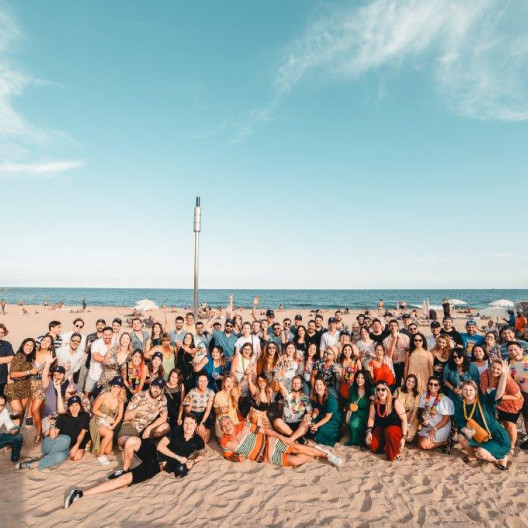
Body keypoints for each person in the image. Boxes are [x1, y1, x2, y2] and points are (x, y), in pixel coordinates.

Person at [64, 414, 206, 509]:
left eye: (191, 424)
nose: (187, 426)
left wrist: (193, 462)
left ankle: (81, 493)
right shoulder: (176, 431)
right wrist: (178, 457)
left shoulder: (198, 441)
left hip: (156, 465)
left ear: (195, 425)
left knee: (125, 480)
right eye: (186, 423)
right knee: (131, 441)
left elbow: (203, 454)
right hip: (152, 450)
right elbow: (161, 446)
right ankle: (124, 469)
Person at [219, 416, 342, 467]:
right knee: (295, 460)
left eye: (228, 423)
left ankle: (327, 455)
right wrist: (236, 459)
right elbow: (228, 456)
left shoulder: (243, 425)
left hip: (270, 442)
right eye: (223, 425)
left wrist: (281, 437)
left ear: (232, 423)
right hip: (266, 457)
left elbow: (266, 431)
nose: (227, 426)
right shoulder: (224, 442)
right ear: (221, 429)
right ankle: (315, 452)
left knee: (295, 448)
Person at [454, 359, 511, 469]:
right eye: (465, 390)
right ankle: (471, 455)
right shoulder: (461, 404)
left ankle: (502, 458)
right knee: (461, 436)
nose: (468, 392)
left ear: (475, 391)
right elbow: (460, 422)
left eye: (471, 390)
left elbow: (499, 394)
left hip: (495, 435)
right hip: (478, 434)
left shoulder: (484, 400)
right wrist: (465, 430)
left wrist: (503, 375)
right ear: (461, 391)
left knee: (481, 453)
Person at [17, 394, 90, 471]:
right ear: (68, 407)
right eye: (71, 405)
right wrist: (52, 424)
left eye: (76, 405)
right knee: (66, 439)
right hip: (52, 443)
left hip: (66, 447)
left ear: (80, 405)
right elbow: (52, 437)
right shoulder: (63, 417)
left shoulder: (85, 416)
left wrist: (76, 446)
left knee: (61, 457)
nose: (74, 408)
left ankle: (32, 464)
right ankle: (47, 460)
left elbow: (82, 433)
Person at [480, 358, 523, 453]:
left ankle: (511, 446)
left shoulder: (508, 380)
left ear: (503, 370)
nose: (495, 370)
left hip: (511, 404)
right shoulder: (485, 374)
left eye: (498, 369)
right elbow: (483, 389)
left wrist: (501, 397)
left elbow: (517, 396)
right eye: (493, 367)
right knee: (500, 423)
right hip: (495, 403)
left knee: (510, 425)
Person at [117, 377, 169, 447]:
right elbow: (126, 417)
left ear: (162, 390)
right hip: (133, 425)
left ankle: (139, 443)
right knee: (122, 441)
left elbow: (163, 418)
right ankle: (140, 443)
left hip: (147, 425)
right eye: (155, 386)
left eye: (160, 388)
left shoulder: (162, 398)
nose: (156, 390)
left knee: (166, 427)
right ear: (150, 385)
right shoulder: (139, 396)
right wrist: (139, 408)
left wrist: (149, 428)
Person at [365, 381, 408, 461]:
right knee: (373, 446)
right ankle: (387, 445)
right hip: (381, 429)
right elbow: (371, 418)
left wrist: (404, 438)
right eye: (378, 389)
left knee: (390, 431)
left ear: (387, 390)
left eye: (383, 389)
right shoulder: (374, 403)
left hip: (394, 430)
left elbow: (404, 420)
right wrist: (369, 432)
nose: (380, 392)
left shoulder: (395, 402)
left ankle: (394, 451)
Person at [89, 376, 125, 465]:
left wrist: (112, 426)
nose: (115, 389)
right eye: (114, 386)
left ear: (121, 389)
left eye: (118, 387)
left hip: (107, 423)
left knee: (108, 451)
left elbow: (120, 416)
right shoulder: (103, 396)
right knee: (110, 434)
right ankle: (100, 455)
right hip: (97, 421)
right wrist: (106, 417)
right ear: (110, 386)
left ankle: (95, 444)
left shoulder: (120, 400)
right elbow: (94, 410)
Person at [417, 376, 454, 452]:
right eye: (430, 384)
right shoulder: (424, 396)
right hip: (428, 425)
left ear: (439, 386)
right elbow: (421, 410)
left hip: (440, 427)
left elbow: (446, 420)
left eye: (435, 385)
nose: (432, 386)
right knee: (418, 443)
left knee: (424, 445)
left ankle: (446, 442)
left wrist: (434, 429)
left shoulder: (445, 400)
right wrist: (424, 419)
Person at [4, 338, 35, 425]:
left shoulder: (31, 358)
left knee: (22, 413)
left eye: (31, 345)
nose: (29, 347)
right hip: (13, 387)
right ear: (23, 346)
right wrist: (29, 372)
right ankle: (12, 432)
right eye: (27, 345)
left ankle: (16, 436)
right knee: (18, 411)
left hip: (25, 387)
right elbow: (12, 374)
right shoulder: (18, 356)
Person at [273, 375, 313, 442]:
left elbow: (310, 412)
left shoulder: (305, 398)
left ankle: (292, 438)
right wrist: (278, 376)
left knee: (307, 423)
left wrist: (307, 415)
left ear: (302, 385)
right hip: (286, 425)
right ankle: (298, 438)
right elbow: (281, 386)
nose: (296, 385)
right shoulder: (287, 394)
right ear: (292, 384)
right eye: (294, 383)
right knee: (277, 422)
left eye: (298, 383)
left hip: (299, 425)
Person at [505, 341, 528, 449]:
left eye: (515, 349)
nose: (513, 352)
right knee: (526, 417)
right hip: (522, 394)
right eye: (510, 350)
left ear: (521, 350)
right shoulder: (510, 363)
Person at [182, 373, 215, 443]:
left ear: (207, 382)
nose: (203, 383)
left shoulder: (211, 392)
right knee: (191, 435)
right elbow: (187, 411)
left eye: (205, 381)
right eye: (200, 381)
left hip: (204, 415)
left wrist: (202, 423)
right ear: (197, 382)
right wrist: (188, 405)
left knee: (205, 438)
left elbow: (208, 410)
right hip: (193, 414)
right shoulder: (192, 392)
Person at [309, 378, 342, 446]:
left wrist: (317, 425)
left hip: (333, 419)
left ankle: (337, 434)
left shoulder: (331, 399)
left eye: (321, 384)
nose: (318, 387)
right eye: (316, 385)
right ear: (314, 387)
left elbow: (327, 417)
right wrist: (313, 421)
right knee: (310, 426)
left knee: (321, 430)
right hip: (322, 415)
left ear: (324, 387)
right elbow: (316, 411)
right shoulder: (314, 397)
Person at [345, 370, 373, 447]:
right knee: (353, 424)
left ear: (366, 379)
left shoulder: (371, 390)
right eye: (358, 377)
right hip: (356, 413)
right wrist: (351, 406)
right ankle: (357, 441)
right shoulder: (352, 388)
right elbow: (350, 401)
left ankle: (365, 439)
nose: (359, 380)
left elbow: (374, 404)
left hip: (368, 413)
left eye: (362, 378)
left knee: (358, 425)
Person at [85, 327, 113, 396]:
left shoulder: (115, 342)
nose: (107, 337)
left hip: (107, 376)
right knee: (87, 394)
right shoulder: (96, 343)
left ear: (112, 334)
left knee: (102, 396)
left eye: (109, 335)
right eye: (105, 335)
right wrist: (108, 361)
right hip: (94, 374)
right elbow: (95, 356)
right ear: (103, 334)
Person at [382, 320, 410, 388]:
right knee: (396, 385)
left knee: (407, 383)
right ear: (388, 328)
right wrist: (394, 338)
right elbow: (388, 355)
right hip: (394, 364)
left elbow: (409, 350)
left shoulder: (405, 337)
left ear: (398, 327)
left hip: (405, 363)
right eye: (391, 326)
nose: (393, 327)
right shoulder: (385, 340)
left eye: (395, 326)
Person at [393, 375, 420, 442]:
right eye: (408, 380)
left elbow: (414, 412)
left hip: (410, 418)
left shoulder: (417, 394)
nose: (410, 383)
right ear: (405, 381)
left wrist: (408, 425)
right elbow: (392, 404)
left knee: (408, 439)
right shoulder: (398, 390)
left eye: (413, 382)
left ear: (415, 384)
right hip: (398, 417)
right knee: (398, 436)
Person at [213, 374, 240, 438]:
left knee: (236, 439)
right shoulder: (218, 395)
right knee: (225, 443)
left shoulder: (235, 393)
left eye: (231, 382)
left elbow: (237, 409)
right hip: (222, 421)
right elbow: (215, 411)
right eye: (227, 381)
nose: (229, 383)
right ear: (224, 383)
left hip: (233, 420)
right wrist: (221, 410)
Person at [0, 394, 23, 462]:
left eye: (1, 405)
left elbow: (12, 431)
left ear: (4, 406)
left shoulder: (4, 412)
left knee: (18, 437)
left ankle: (15, 459)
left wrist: (16, 424)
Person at [0, 323, 14, 396]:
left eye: (2, 332)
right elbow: (8, 359)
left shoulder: (6, 344)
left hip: (3, 379)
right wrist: (4, 360)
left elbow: (11, 358)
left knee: (2, 401)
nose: (1, 334)